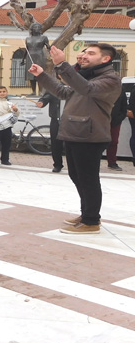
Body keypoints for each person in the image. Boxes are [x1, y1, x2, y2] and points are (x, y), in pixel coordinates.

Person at [30, 43, 120, 234]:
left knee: (88, 179)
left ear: (105, 59)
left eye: (91, 53)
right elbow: (63, 92)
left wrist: (63, 65)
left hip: (90, 135)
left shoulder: (110, 79)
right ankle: (86, 213)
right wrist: (42, 75)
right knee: (76, 176)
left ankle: (91, 221)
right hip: (74, 133)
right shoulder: (85, 76)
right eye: (84, 52)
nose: (83, 55)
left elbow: (86, 89)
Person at [37, 91, 64, 172]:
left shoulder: (75, 86)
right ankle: (57, 164)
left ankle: (74, 165)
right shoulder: (56, 88)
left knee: (72, 144)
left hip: (72, 120)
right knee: (55, 143)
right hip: (56, 120)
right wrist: (41, 102)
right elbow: (45, 98)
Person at [106, 87, 128, 171]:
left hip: (116, 120)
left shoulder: (121, 90)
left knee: (114, 141)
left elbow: (124, 106)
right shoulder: (103, 87)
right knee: (98, 141)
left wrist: (120, 117)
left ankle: (112, 162)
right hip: (102, 119)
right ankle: (94, 161)